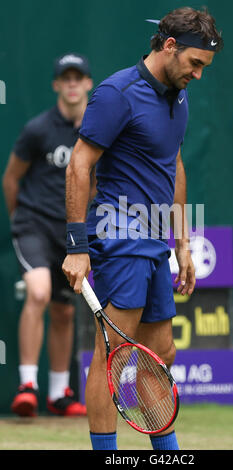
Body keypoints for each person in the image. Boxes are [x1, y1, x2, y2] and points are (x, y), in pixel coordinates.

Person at [62, 7, 223, 449]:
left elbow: (173, 162)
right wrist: (77, 246)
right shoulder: (117, 93)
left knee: (161, 353)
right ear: (169, 46)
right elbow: (79, 165)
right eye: (195, 64)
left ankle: (167, 455)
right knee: (113, 353)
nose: (198, 75)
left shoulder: (179, 94)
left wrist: (183, 243)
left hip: (154, 238)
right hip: (119, 233)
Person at [2, 53, 94, 417]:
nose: (72, 84)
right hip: (34, 225)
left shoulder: (96, 131)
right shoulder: (37, 129)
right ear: (57, 85)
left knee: (64, 311)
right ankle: (27, 385)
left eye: (78, 78)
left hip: (71, 231)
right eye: (65, 78)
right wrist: (20, 221)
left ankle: (59, 394)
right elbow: (11, 178)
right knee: (38, 291)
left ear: (88, 83)